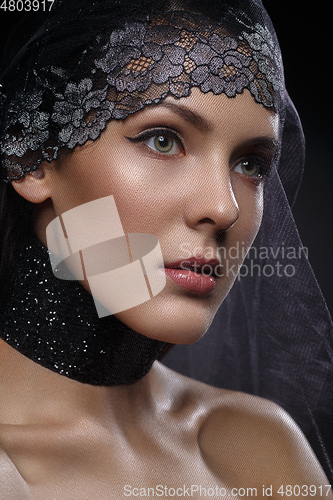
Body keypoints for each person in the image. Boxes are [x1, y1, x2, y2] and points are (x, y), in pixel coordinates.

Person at [0, 0, 332, 497]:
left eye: (252, 164)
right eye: (162, 140)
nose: (224, 209)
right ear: (30, 156)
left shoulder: (258, 446)